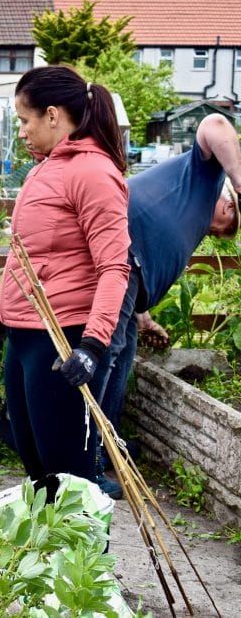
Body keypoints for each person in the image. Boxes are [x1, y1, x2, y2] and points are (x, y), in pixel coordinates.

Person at [0, 65, 130, 487]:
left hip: (63, 340)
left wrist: (93, 346)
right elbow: (23, 258)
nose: (21, 131)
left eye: (25, 120)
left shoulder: (94, 173)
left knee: (70, 476)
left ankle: (89, 552)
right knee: (36, 466)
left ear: (54, 115)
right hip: (25, 335)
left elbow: (115, 267)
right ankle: (48, 556)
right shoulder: (43, 170)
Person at [95, 114, 241, 498]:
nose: (217, 230)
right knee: (105, 354)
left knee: (121, 356)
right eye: (226, 222)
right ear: (229, 201)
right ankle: (87, 461)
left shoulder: (192, 214)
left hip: (131, 272)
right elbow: (214, 123)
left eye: (221, 235)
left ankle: (107, 443)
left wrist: (144, 318)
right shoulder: (206, 174)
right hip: (121, 257)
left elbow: (151, 257)